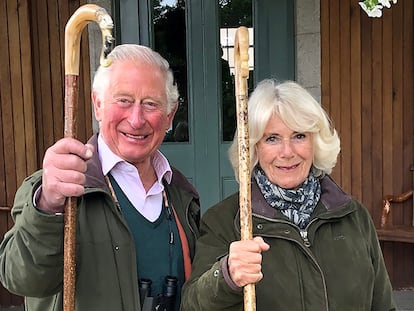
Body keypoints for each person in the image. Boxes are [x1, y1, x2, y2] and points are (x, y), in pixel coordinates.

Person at [0, 44, 200, 311]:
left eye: (150, 104)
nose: (137, 119)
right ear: (98, 105)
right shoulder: (53, 191)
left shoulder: (181, 194)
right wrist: (48, 206)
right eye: (124, 101)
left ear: (169, 116)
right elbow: (22, 279)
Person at [181, 79, 396, 311]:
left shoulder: (353, 216)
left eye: (299, 136)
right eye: (272, 138)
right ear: (253, 148)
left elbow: (383, 305)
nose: (287, 152)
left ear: (316, 142)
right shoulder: (225, 222)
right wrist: (226, 276)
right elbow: (191, 305)